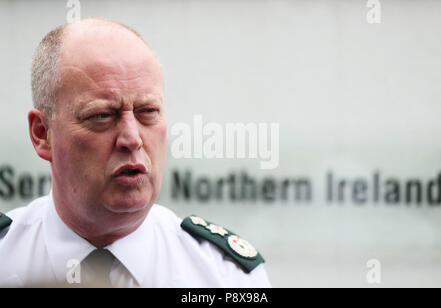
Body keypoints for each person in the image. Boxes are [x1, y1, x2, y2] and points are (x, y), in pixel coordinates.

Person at [0, 18, 270, 288]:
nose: (132, 138)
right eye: (102, 115)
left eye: (148, 112)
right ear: (42, 133)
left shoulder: (225, 277)